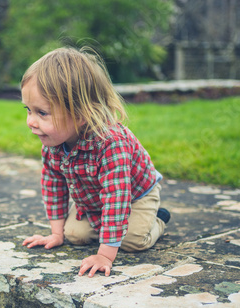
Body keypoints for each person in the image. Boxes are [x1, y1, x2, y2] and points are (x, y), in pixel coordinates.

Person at [21, 47, 170, 278]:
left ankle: (158, 219)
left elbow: (116, 196)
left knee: (132, 241)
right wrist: (56, 234)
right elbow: (53, 185)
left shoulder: (110, 144)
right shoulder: (53, 143)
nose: (31, 121)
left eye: (42, 113)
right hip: (94, 200)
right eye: (28, 110)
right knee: (75, 235)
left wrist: (105, 255)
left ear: (80, 114)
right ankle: (109, 226)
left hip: (135, 195)